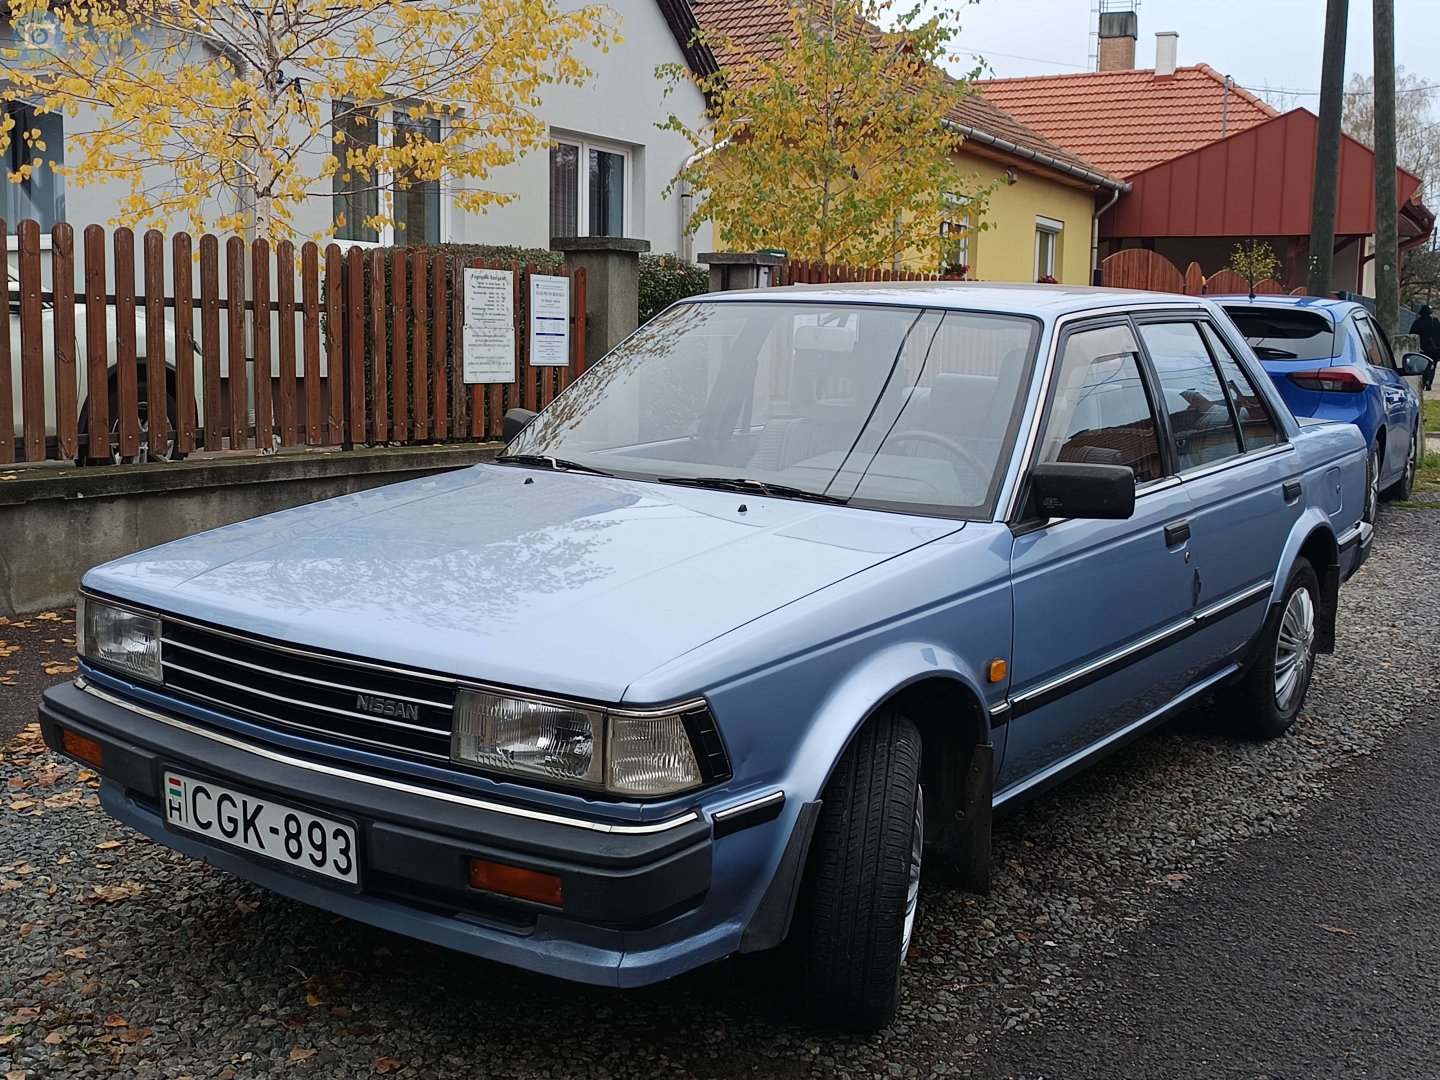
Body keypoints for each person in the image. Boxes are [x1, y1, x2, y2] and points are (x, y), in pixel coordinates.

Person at [1413, 304, 1440, 391]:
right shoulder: (1435, 321)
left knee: (1423, 365)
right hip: (1434, 348)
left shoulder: (1417, 322)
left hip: (1422, 349)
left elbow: (1412, 335)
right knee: (1432, 365)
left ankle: (1424, 380)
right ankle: (1429, 380)